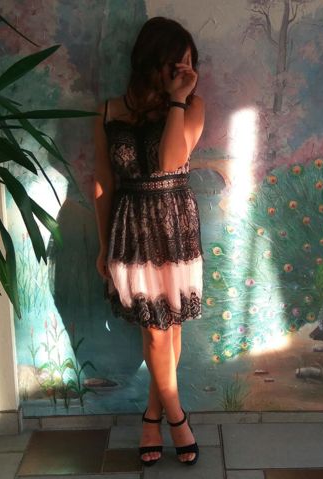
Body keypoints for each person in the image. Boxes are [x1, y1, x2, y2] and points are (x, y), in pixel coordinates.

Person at [93, 17, 205, 467]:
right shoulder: (108, 111)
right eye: (175, 64)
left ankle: (154, 418)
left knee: (169, 331)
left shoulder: (192, 107)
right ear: (151, 61)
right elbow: (103, 182)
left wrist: (177, 99)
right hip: (132, 230)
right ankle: (177, 419)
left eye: (190, 64)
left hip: (175, 229)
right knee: (157, 332)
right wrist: (103, 246)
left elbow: (171, 159)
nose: (184, 72)